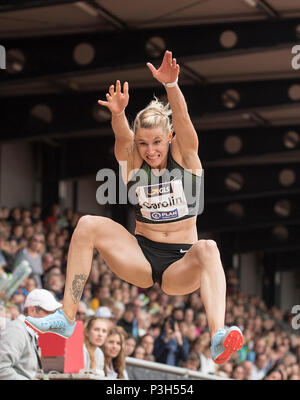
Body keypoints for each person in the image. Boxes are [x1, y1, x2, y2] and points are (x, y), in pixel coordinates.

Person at [24, 50, 243, 364]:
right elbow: (122, 137)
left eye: (156, 142)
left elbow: (182, 119)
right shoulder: (133, 163)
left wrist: (173, 85)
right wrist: (117, 114)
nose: (150, 150)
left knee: (209, 247)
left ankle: (218, 335)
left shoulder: (187, 157)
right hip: (140, 255)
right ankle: (67, 317)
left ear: (169, 137)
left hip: (180, 264)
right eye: (143, 143)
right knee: (87, 224)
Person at [0, 289, 62, 380]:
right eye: (49, 313)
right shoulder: (16, 331)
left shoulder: (26, 331)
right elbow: (2, 369)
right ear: (32, 310)